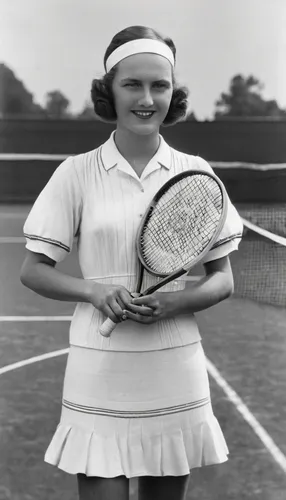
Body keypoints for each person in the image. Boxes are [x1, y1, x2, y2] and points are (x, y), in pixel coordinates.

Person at [20, 25, 243, 500]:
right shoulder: (75, 173)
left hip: (173, 364)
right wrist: (93, 291)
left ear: (172, 93)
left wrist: (173, 304)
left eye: (159, 85)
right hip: (97, 368)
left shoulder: (197, 172)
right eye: (132, 84)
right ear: (109, 92)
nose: (147, 98)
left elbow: (222, 279)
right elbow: (33, 269)